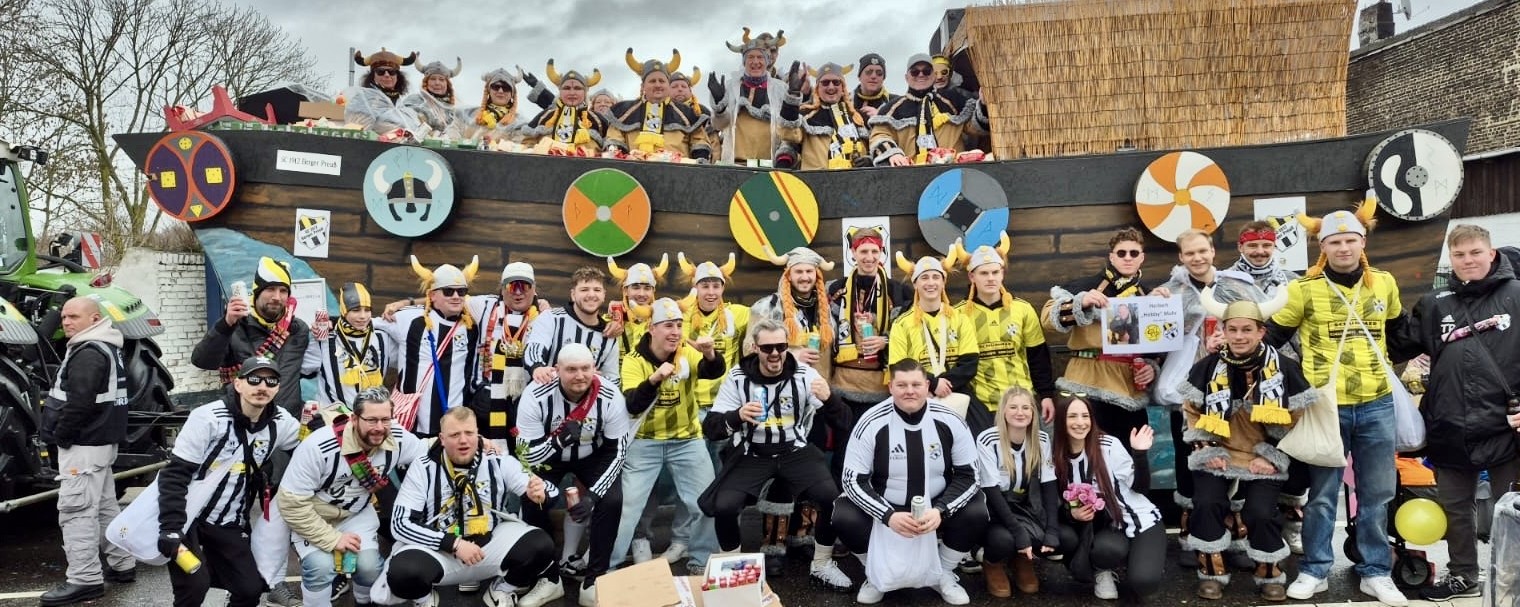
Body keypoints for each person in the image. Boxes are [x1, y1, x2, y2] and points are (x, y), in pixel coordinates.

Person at [1270, 198, 1410, 606]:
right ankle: (1314, 569)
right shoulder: (1302, 289)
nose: (1343, 248)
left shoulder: (1384, 282)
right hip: (1325, 408)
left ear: (1363, 242)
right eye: (1335, 242)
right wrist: (1296, 386)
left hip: (1377, 403)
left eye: (1351, 240)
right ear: (1323, 247)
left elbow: (1399, 332)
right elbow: (1271, 340)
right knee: (1323, 495)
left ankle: (1376, 572)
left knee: (1377, 494)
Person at [1395, 224, 1520, 601]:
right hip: (1449, 424)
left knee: (1511, 511)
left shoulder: (1516, 295)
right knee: (1454, 509)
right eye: (1460, 255)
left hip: (1505, 426)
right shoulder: (1435, 302)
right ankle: (1463, 575)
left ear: (1491, 253)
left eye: (1475, 252)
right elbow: (1399, 343)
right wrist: (1380, 303)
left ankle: (1513, 579)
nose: (1468, 260)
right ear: (1450, 258)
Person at [700, 317, 854, 591]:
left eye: (780, 347)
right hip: (753, 453)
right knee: (725, 506)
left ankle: (822, 564)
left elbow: (844, 422)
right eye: (767, 348)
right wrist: (737, 416)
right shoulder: (738, 377)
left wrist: (829, 399)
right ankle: (732, 574)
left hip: (795, 450)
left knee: (830, 499)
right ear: (755, 348)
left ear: (787, 347)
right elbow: (711, 428)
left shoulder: (804, 374)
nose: (774, 354)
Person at [1179, 294, 1309, 602]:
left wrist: (1271, 456)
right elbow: (1191, 411)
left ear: (1261, 332)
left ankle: (1270, 573)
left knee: (1260, 512)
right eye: (1233, 329)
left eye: (1247, 329)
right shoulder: (1207, 367)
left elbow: (1298, 419)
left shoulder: (1285, 368)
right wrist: (1208, 449)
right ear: (1224, 331)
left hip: (1263, 456)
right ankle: (1211, 574)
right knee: (1206, 503)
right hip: (1218, 452)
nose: (1239, 336)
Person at [370, 407, 558, 607]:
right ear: (442, 439)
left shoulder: (496, 459)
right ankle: (424, 600)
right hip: (439, 552)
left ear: (478, 434)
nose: (463, 440)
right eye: (455, 435)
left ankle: (502, 589)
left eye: (469, 433)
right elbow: (400, 524)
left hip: (489, 545)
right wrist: (454, 544)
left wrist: (540, 494)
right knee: (403, 572)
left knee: (541, 545)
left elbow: (551, 491)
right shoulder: (423, 466)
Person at [834, 359, 986, 605]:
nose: (910, 391)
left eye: (916, 384)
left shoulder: (950, 419)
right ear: (890, 387)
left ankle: (944, 573)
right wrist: (887, 515)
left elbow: (970, 475)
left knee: (977, 509)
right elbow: (851, 480)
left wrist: (941, 510)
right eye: (902, 385)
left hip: (934, 505)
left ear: (927, 386)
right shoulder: (870, 421)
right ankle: (874, 573)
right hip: (887, 504)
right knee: (843, 514)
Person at [156, 356, 301, 607]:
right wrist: (170, 527)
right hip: (189, 518)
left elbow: (310, 450)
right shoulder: (208, 418)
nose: (262, 387)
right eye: (254, 379)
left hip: (229, 521)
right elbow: (174, 475)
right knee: (194, 587)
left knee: (249, 590)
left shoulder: (282, 422)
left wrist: (322, 425)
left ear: (278, 388)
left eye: (271, 381)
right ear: (238, 384)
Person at [276, 388, 428, 607]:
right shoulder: (319, 446)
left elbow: (427, 450)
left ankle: (364, 602)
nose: (379, 427)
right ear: (354, 419)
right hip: (315, 515)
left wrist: (471, 441)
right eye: (371, 420)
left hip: (356, 513)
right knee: (320, 567)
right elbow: (291, 504)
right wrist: (333, 539)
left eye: (385, 419)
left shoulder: (396, 437)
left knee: (369, 568)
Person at [611, 298, 725, 573]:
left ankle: (702, 562)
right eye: (667, 326)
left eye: (678, 325)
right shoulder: (634, 360)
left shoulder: (687, 352)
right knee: (625, 509)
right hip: (644, 442)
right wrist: (654, 380)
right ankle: (605, 568)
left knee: (706, 502)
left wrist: (710, 354)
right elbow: (632, 404)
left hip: (687, 440)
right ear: (652, 328)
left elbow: (713, 371)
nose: (675, 332)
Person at [515, 344, 632, 607]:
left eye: (585, 368)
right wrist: (557, 443)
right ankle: (548, 577)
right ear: (557, 370)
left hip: (593, 455)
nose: (579, 376)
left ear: (594, 368)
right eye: (571, 369)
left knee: (611, 500)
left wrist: (592, 497)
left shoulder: (611, 395)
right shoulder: (535, 394)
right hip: (548, 458)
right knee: (532, 497)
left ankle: (594, 580)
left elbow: (618, 453)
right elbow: (526, 455)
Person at [37, 297, 135, 606]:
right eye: (64, 317)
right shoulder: (107, 346)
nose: (66, 322)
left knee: (76, 511)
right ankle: (122, 564)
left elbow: (79, 403)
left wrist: (61, 436)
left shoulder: (88, 352)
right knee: (105, 507)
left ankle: (85, 579)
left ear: (94, 319)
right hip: (101, 443)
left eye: (74, 317)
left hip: (84, 445)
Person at [749, 246, 838, 564]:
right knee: (779, 472)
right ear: (788, 275)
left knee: (812, 468)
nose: (804, 276)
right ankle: (773, 544)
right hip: (781, 402)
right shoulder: (767, 307)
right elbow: (748, 350)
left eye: (809, 271)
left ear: (817, 276)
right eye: (798, 271)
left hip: (815, 401)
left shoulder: (828, 309)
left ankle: (803, 533)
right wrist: (790, 354)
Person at [1041, 227, 1167, 448]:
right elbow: (1047, 319)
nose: (1127, 258)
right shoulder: (1084, 287)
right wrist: (1081, 302)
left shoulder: (1149, 296)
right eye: (1121, 253)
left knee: (1131, 456)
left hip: (1129, 391)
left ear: (1142, 258)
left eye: (1133, 253)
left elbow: (1155, 349)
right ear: (1111, 257)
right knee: (1086, 455)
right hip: (1088, 382)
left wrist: (1151, 367)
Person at [1048, 393, 1165, 601]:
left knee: (1144, 582)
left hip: (1140, 520)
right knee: (1102, 549)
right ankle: (1102, 570)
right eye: (1072, 416)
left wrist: (1139, 454)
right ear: (1061, 421)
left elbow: (1140, 488)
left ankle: (1137, 558)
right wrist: (1071, 513)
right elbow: (1055, 501)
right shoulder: (1055, 454)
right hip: (1107, 528)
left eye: (1085, 416)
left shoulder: (1108, 445)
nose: (1080, 422)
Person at [825, 228, 911, 489]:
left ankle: (877, 498)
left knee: (879, 448)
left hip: (880, 386)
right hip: (844, 384)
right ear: (853, 253)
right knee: (844, 448)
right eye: (863, 251)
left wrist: (886, 340)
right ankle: (841, 500)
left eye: (875, 251)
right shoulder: (835, 289)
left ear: (882, 253)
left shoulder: (898, 291)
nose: (869, 257)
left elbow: (909, 333)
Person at [373, 256, 483, 437]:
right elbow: (364, 324)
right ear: (432, 295)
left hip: (453, 426)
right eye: (448, 291)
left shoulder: (473, 324)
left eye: (461, 291)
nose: (456, 296)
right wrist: (328, 325)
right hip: (411, 424)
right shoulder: (409, 319)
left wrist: (407, 301)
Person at [956, 234, 1058, 429]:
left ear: (1002, 273)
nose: (991, 278)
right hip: (981, 406)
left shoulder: (1023, 309)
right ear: (972, 276)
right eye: (984, 273)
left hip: (1021, 402)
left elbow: (1038, 356)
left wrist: (1046, 394)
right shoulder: (958, 314)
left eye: (995, 272)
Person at [192, 256, 310, 414]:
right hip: (243, 419)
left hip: (286, 420)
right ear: (257, 292)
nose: (277, 297)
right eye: (270, 289)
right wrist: (225, 325)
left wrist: (323, 336)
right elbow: (202, 361)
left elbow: (313, 368)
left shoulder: (298, 329)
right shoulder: (235, 325)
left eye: (283, 291)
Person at [973, 387, 1055, 598]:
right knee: (1004, 540)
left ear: (1033, 412)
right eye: (1013, 407)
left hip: (1025, 505)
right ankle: (992, 563)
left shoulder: (1042, 439)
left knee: (1058, 538)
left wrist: (1052, 529)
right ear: (1003, 411)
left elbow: (1048, 485)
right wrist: (1018, 532)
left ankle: (1021, 559)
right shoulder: (988, 439)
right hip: (996, 508)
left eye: (1026, 407)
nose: (1020, 412)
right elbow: (991, 490)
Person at [888, 248, 984, 427]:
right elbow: (898, 367)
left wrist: (942, 385)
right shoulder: (901, 324)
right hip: (919, 398)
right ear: (915, 284)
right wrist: (931, 384)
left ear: (943, 282)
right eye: (924, 278)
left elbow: (969, 363)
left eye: (935, 277)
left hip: (957, 396)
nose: (930, 283)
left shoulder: (960, 319)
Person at [867, 53, 988, 166]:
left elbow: (975, 128)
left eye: (926, 71)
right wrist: (893, 153)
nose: (921, 75)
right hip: (911, 175)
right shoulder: (892, 108)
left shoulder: (954, 100)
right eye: (915, 72)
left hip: (952, 172)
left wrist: (983, 105)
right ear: (906, 77)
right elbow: (879, 135)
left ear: (934, 75)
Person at [605, 49, 712, 162]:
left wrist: (699, 161)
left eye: (662, 81)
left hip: (678, 171)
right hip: (633, 170)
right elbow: (614, 142)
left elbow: (699, 142)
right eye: (652, 81)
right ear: (643, 86)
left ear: (668, 85)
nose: (657, 85)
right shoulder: (623, 111)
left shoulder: (687, 114)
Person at [523, 266, 622, 387]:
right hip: (545, 393)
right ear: (573, 294)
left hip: (587, 399)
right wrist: (537, 367)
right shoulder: (552, 318)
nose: (591, 294)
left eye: (597, 290)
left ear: (604, 295)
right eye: (584, 290)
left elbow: (613, 380)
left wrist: (594, 379)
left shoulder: (609, 335)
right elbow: (534, 349)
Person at [304, 282, 395, 406]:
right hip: (334, 416)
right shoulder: (324, 341)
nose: (363, 316)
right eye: (356, 310)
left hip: (371, 414)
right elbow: (300, 370)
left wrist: (403, 304)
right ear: (344, 311)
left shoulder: (382, 338)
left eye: (367, 310)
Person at [709, 35, 793, 166]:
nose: (755, 61)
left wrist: (784, 158)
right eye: (750, 57)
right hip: (735, 165)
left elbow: (786, 127)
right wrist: (720, 106)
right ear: (744, 62)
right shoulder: (730, 87)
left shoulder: (780, 89)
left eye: (760, 57)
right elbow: (718, 125)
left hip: (768, 166)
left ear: (767, 61)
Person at [778, 61, 869, 169]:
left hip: (857, 179)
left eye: (836, 82)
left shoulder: (858, 117)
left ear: (843, 87)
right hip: (815, 179)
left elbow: (875, 146)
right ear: (817, 88)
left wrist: (869, 161)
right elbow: (788, 135)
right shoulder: (805, 115)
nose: (831, 87)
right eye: (825, 83)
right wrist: (793, 94)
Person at [520, 61, 608, 156]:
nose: (572, 93)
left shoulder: (598, 120)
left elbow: (610, 151)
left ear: (585, 92)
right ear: (560, 91)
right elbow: (526, 145)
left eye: (577, 88)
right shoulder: (545, 116)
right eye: (566, 88)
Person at [347, 49, 424, 134]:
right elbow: (356, 131)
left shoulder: (401, 105)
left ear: (397, 76)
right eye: (381, 72)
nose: (387, 75)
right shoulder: (362, 99)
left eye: (391, 72)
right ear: (373, 76)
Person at [607, 254, 669, 357]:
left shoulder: (664, 321)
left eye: (647, 288)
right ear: (625, 290)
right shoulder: (611, 319)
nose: (641, 294)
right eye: (636, 287)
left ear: (653, 291)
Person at [401, 56, 464, 137]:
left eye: (441, 79)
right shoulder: (415, 100)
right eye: (433, 79)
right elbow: (408, 124)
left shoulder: (454, 107)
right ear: (426, 82)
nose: (437, 83)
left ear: (447, 84)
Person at [1231, 220, 1299, 295]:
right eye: (1253, 246)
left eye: (1266, 245)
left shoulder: (1292, 280)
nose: (1260, 251)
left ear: (1274, 246)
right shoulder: (1226, 281)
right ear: (1240, 247)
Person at [466, 68, 526, 142]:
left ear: (512, 94)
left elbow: (524, 145)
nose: (500, 91)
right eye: (496, 87)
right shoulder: (470, 115)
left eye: (506, 88)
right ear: (489, 90)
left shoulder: (519, 123)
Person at [851, 53, 895, 119]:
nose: (874, 76)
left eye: (879, 73)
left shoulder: (895, 103)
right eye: (869, 72)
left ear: (883, 78)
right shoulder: (844, 100)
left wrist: (881, 117)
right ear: (859, 76)